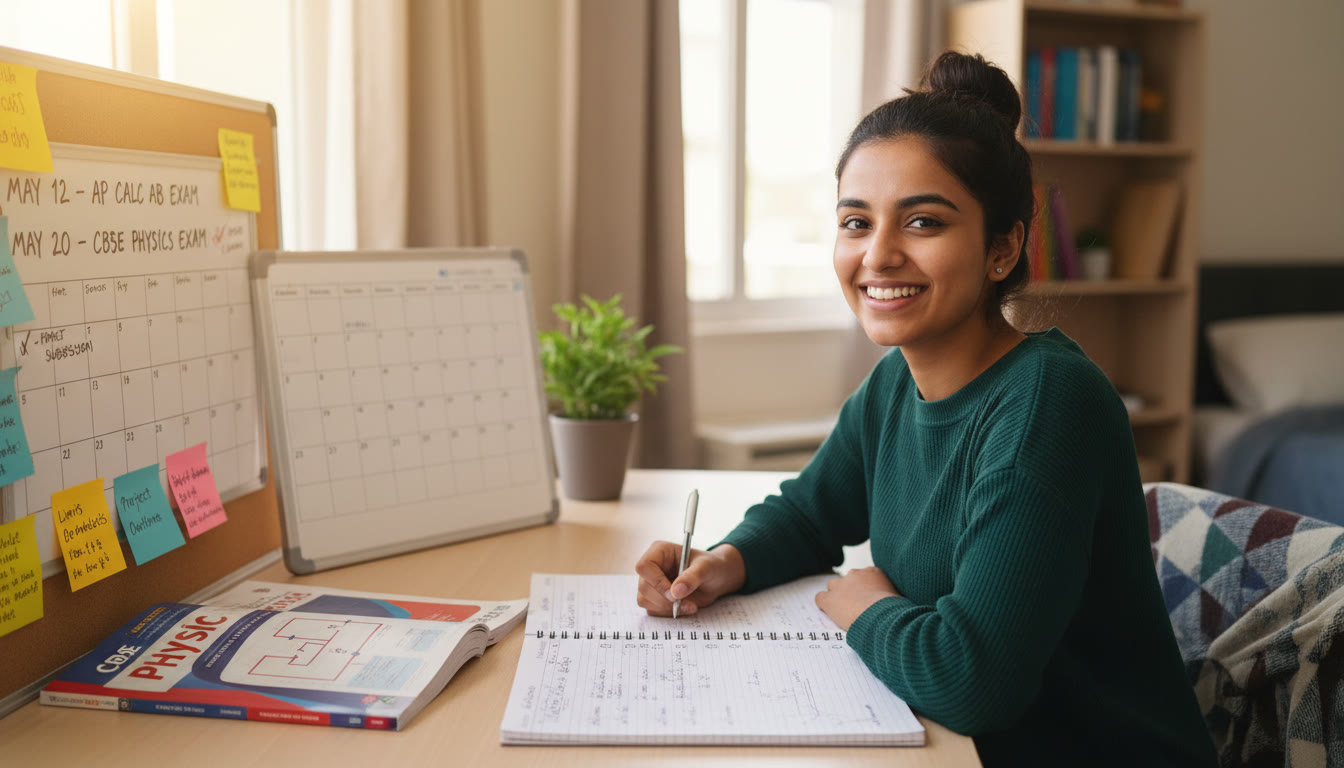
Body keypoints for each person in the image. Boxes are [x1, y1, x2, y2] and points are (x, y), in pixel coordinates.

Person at [634, 51, 1216, 766]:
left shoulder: (1048, 404)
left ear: (1003, 246)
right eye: (856, 221)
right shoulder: (893, 384)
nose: (877, 256)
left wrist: (862, 606)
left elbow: (974, 682)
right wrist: (724, 561)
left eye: (923, 223)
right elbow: (812, 514)